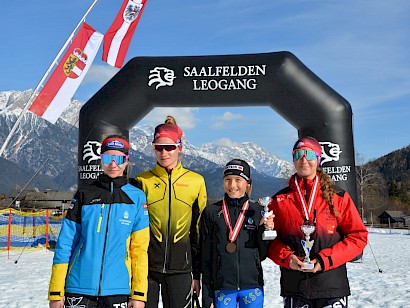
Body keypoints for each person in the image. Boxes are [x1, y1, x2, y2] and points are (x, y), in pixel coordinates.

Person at [48, 135, 150, 308]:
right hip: (79, 287)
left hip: (118, 289)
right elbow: (66, 243)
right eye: (107, 158)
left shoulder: (137, 197)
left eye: (118, 159)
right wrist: (56, 292)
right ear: (101, 160)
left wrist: (139, 294)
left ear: (126, 161)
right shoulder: (84, 194)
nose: (113, 164)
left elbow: (139, 251)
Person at [267, 136, 368, 308]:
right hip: (295, 287)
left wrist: (324, 261)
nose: (303, 159)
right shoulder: (279, 200)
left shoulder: (338, 196)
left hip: (331, 286)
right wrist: (287, 258)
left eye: (309, 154)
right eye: (298, 154)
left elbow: (358, 237)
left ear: (318, 159)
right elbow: (269, 242)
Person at [135, 116, 208, 308]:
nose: (164, 153)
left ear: (180, 147)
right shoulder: (142, 181)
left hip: (181, 269)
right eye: (159, 147)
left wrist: (197, 275)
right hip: (146, 269)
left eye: (169, 147)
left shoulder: (196, 181)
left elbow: (199, 232)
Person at [200, 159, 274, 308]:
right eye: (227, 180)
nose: (232, 185)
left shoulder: (256, 212)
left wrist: (265, 232)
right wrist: (207, 297)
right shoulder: (212, 212)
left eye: (238, 180)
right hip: (223, 288)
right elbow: (205, 256)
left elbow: (263, 254)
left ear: (247, 183)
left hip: (252, 286)